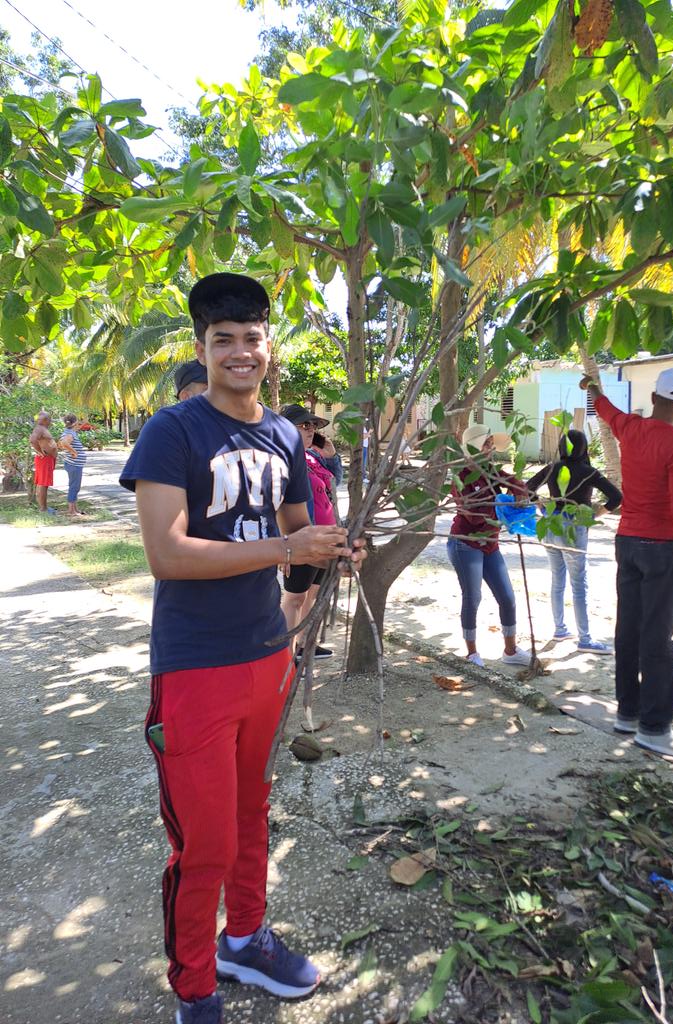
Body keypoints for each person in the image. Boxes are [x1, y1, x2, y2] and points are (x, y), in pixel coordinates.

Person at [119, 272, 366, 1024]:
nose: (239, 352)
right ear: (203, 347)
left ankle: (247, 938)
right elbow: (168, 554)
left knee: (253, 812)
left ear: (268, 348)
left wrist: (325, 550)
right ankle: (195, 986)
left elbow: (295, 543)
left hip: (267, 655)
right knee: (205, 843)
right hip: (195, 665)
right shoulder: (174, 431)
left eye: (251, 339)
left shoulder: (286, 435)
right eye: (222, 340)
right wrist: (285, 545)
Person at [581, 367, 673, 758]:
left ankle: (628, 712)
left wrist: (591, 387)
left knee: (628, 631)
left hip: (628, 543)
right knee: (657, 639)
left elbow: (605, 408)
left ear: (655, 396)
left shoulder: (630, 427)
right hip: (662, 549)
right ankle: (654, 729)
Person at [527, 429, 622, 654]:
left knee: (557, 579)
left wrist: (540, 504)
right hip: (575, 525)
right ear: (583, 448)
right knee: (579, 584)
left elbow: (527, 488)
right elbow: (617, 497)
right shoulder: (588, 471)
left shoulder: (553, 468)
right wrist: (597, 513)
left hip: (551, 523)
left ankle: (560, 629)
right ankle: (585, 639)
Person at [447, 423, 531, 668]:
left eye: (492, 444)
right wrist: (502, 509)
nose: (491, 448)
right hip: (466, 543)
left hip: (490, 544)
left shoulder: (490, 471)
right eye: (486, 443)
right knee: (472, 597)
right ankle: (472, 653)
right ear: (474, 446)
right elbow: (472, 515)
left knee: (507, 597)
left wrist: (519, 493)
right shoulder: (461, 475)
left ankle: (511, 650)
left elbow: (516, 483)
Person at [279, 405, 338, 681]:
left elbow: (334, 481)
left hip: (324, 538)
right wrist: (283, 545)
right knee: (294, 598)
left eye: (313, 426)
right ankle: (284, 657)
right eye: (304, 426)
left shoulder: (311, 458)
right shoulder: (282, 459)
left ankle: (303, 645)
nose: (311, 430)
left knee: (311, 596)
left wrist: (330, 454)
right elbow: (274, 504)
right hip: (302, 538)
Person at [58, 414, 88, 516]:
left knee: (75, 487)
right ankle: (71, 511)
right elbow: (64, 443)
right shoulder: (69, 433)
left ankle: (75, 509)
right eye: (77, 421)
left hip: (74, 464)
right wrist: (73, 452)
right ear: (74, 423)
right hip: (74, 464)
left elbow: (61, 444)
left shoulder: (70, 431)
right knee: (74, 487)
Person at [29, 412, 57, 514]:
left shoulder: (42, 429)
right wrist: (40, 451)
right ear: (46, 420)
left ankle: (44, 507)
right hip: (44, 460)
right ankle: (43, 509)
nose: (50, 421)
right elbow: (32, 440)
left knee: (43, 483)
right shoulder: (39, 428)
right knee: (43, 484)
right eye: (49, 419)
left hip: (47, 459)